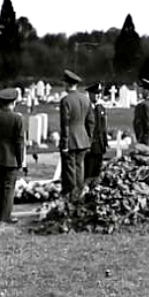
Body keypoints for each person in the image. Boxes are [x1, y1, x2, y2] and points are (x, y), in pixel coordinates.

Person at [0, 87, 26, 223]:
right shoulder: (17, 118)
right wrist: (20, 160)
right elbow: (19, 142)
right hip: (11, 157)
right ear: (13, 102)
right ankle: (6, 215)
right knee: (9, 188)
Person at [59, 69, 92, 201]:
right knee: (79, 168)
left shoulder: (66, 100)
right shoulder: (85, 99)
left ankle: (71, 196)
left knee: (69, 170)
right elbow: (90, 122)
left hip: (71, 139)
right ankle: (79, 193)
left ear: (67, 84)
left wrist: (65, 142)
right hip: (82, 138)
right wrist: (88, 138)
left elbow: (65, 124)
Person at [84, 82, 109, 182]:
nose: (98, 96)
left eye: (99, 93)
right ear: (90, 94)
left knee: (97, 173)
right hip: (89, 145)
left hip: (99, 145)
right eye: (95, 93)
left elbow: (104, 127)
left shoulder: (101, 108)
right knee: (88, 172)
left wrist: (105, 142)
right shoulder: (85, 108)